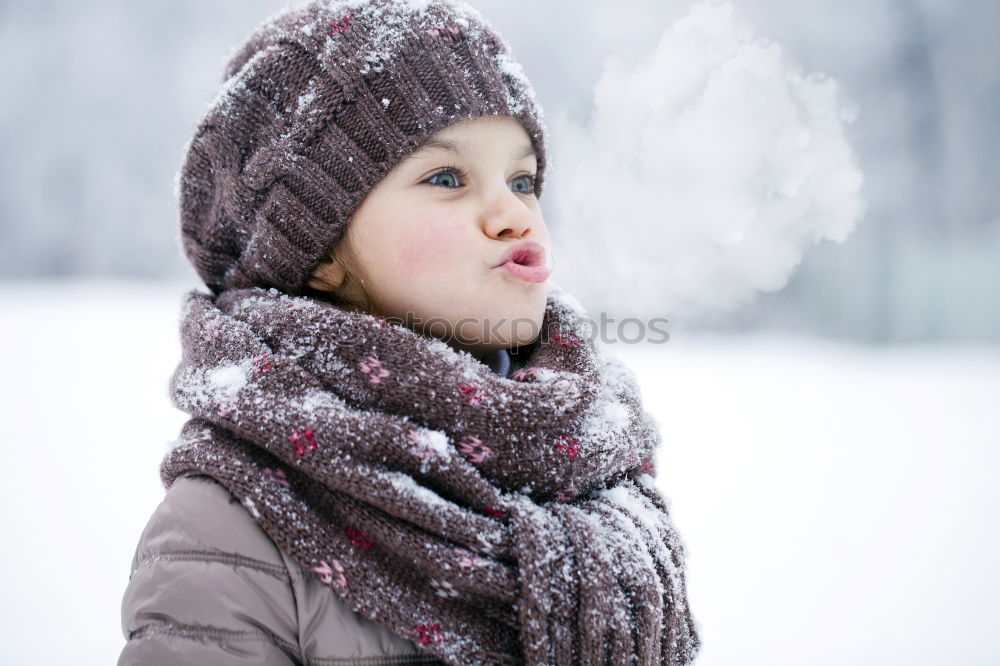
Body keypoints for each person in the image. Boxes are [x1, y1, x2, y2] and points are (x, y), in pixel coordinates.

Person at [118, 1, 702, 664]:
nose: (514, 213)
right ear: (321, 253)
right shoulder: (233, 525)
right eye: (447, 178)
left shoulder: (598, 467)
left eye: (523, 180)